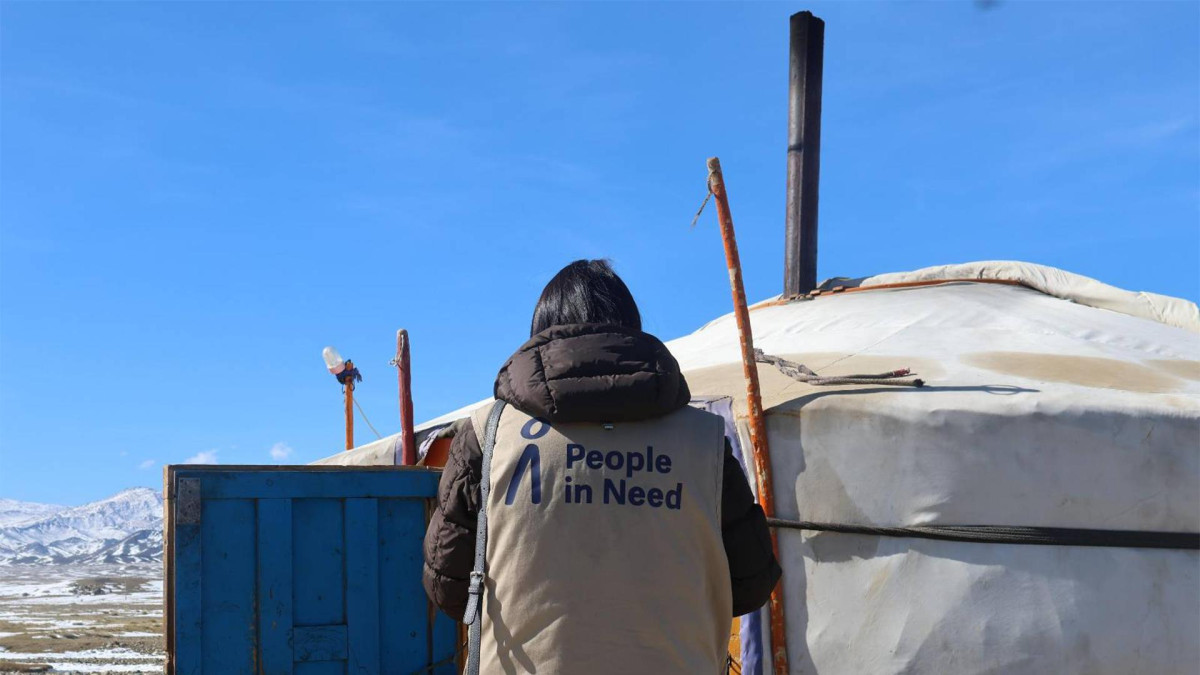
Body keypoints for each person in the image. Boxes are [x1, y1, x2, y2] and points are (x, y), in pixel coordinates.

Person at [423, 259, 780, 674]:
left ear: (542, 329)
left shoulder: (488, 434)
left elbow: (447, 585)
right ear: (632, 328)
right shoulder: (703, 440)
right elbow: (751, 582)